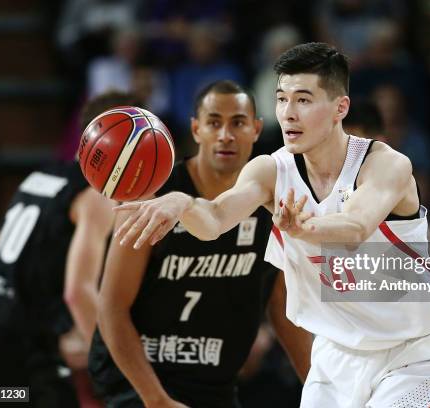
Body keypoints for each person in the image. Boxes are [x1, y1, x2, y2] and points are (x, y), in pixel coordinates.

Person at [114, 43, 430, 407]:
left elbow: (357, 226)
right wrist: (183, 203)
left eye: (303, 100)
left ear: (339, 108)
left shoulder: (385, 164)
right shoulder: (270, 170)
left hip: (417, 351)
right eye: (282, 99)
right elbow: (216, 219)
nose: (288, 113)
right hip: (338, 354)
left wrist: (305, 230)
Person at [90, 80, 312, 408]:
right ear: (196, 129)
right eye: (213, 123)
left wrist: (326, 389)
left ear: (256, 129)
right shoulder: (155, 197)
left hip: (214, 384)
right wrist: (155, 399)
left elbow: (280, 306)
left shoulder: (270, 202)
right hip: (139, 383)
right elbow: (111, 307)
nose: (225, 134)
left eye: (237, 122)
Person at [0, 92, 136, 406]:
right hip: (19, 347)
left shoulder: (38, 177)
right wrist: (120, 364)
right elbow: (78, 292)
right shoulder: (98, 195)